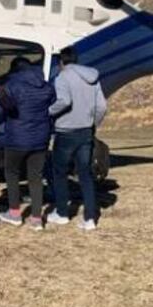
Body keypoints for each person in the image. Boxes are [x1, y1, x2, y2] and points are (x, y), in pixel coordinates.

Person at [47, 46, 107, 231]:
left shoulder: (63, 77)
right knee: (85, 174)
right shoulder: (92, 78)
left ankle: (62, 213)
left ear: (61, 62)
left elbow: (64, 101)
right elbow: (102, 107)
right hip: (85, 131)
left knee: (59, 172)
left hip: (66, 131)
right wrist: (92, 123)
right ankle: (90, 218)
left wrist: (48, 112)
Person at [0, 57, 57, 231]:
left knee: (12, 173)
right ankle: (37, 218)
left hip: (16, 137)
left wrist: (0, 124)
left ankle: (14, 213)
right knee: (36, 177)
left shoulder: (12, 85)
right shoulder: (46, 86)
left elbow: (2, 110)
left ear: (15, 70)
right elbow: (52, 105)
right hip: (40, 138)